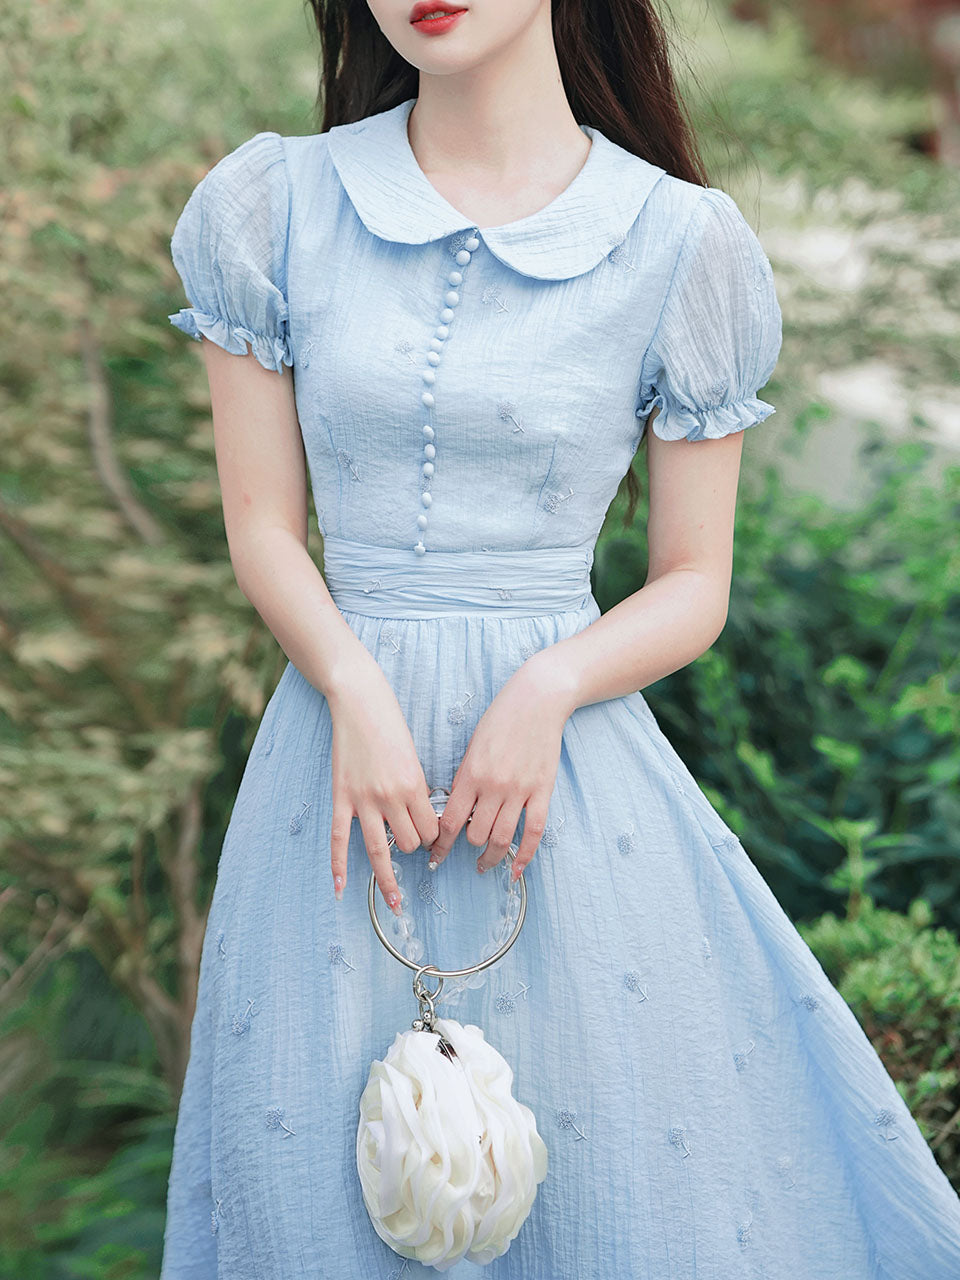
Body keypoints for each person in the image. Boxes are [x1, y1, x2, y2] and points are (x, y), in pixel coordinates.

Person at [159, 1, 960, 1276]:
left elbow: (694, 581)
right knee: (314, 1193)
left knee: (608, 1199)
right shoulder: (275, 203)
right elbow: (261, 527)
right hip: (334, 778)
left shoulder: (681, 240)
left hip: (567, 786)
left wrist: (550, 685)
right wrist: (352, 687)